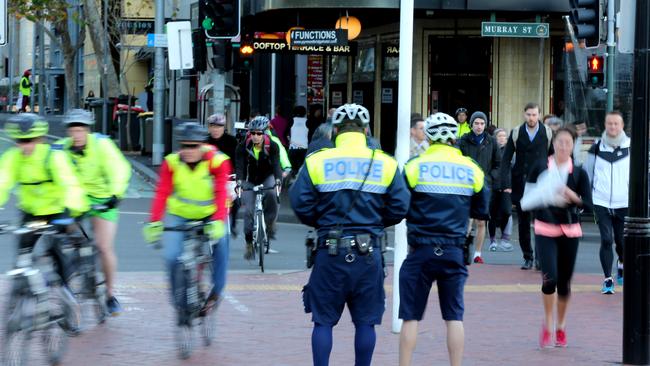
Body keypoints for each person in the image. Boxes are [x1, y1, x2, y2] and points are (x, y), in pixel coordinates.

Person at [290, 103, 409, 366]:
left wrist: (322, 223)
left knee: (323, 322)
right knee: (366, 323)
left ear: (334, 131)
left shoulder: (317, 160)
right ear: (366, 131)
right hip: (369, 254)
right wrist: (376, 223)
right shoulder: (386, 163)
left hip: (329, 251)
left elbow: (300, 203)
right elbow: (400, 206)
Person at [399, 112, 489, 366]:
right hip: (454, 249)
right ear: (453, 137)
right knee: (454, 317)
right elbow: (482, 210)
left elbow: (400, 205)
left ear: (427, 136)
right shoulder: (472, 168)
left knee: (411, 317)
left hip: (420, 250)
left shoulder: (413, 166)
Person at [0, 114, 90, 332]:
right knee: (22, 258)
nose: (25, 146)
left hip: (58, 213)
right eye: (20, 141)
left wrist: (72, 215)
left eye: (29, 140)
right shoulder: (12, 158)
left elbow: (71, 185)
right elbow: (2, 182)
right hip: (30, 213)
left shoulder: (53, 157)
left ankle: (69, 305)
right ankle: (20, 298)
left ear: (40, 139)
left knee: (59, 260)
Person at [142, 122, 231, 329]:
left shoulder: (218, 162)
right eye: (185, 146)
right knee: (171, 257)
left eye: (194, 146)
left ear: (203, 145)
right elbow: (162, 193)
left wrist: (218, 222)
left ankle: (217, 291)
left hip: (211, 214)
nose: (189, 151)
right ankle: (179, 305)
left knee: (221, 245)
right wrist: (154, 222)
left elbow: (220, 194)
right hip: (179, 214)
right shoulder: (171, 163)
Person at [55, 109, 132, 315]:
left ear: (88, 130)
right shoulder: (61, 149)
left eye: (81, 130)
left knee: (103, 246)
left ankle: (109, 295)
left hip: (103, 199)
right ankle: (69, 282)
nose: (77, 135)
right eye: (73, 130)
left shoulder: (102, 145)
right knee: (63, 239)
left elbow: (120, 169)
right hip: (76, 200)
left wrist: (115, 195)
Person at [520, 127, 591, 348]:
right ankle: (548, 323)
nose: (563, 146)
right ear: (553, 143)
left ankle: (561, 325)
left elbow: (588, 206)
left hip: (570, 230)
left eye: (568, 143)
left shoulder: (578, 172)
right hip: (545, 228)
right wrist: (544, 197)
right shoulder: (540, 167)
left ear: (573, 146)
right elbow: (526, 199)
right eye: (559, 142)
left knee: (564, 284)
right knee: (549, 279)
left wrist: (573, 197)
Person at [500, 102, 554, 270]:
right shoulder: (516, 132)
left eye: (534, 114)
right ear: (524, 115)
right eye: (529, 114)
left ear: (539, 115)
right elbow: (506, 159)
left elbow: (554, 158)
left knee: (541, 222)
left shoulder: (548, 132)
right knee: (523, 223)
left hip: (541, 183)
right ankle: (528, 257)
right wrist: (506, 183)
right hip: (520, 183)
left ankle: (540, 257)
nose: (531, 118)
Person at [583, 111, 629, 294]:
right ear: (605, 125)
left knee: (621, 242)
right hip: (601, 201)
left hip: (624, 202)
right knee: (606, 240)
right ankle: (607, 279)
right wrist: (587, 197)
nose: (612, 127)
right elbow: (587, 173)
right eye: (609, 123)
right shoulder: (596, 147)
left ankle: (622, 262)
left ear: (622, 125)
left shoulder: (631, 146)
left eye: (616, 124)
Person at [235, 116, 282, 259]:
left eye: (259, 133)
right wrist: (239, 182)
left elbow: (276, 165)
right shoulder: (242, 146)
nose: (256, 136)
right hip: (250, 180)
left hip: (267, 177)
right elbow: (240, 167)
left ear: (265, 133)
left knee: (273, 195)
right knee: (249, 211)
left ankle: (270, 224)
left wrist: (278, 180)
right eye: (253, 133)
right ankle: (249, 243)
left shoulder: (272, 146)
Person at [458, 111, 499, 263]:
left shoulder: (492, 141)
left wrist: (491, 177)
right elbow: (458, 159)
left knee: (481, 221)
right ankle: (463, 248)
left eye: (482, 123)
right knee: (467, 220)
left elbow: (497, 163)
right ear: (471, 124)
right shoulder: (463, 141)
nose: (479, 126)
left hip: (484, 185)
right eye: (476, 123)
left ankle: (478, 253)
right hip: (467, 184)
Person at [205, 113, 240, 235]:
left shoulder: (232, 141)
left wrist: (238, 175)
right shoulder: (205, 142)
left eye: (218, 126)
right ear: (209, 128)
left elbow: (237, 160)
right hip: (209, 177)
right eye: (212, 126)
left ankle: (233, 222)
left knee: (235, 198)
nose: (215, 129)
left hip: (229, 176)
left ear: (223, 127)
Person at [488, 128, 514, 252]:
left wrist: (511, 186)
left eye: (504, 136)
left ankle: (505, 239)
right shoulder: (491, 150)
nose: (502, 138)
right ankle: (493, 240)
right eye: (500, 136)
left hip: (506, 187)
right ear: (495, 138)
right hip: (493, 187)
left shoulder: (511, 152)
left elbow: (513, 170)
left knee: (507, 212)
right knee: (492, 214)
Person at [289, 106, 309, 174]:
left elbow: (286, 134)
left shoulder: (291, 121)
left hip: (293, 148)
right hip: (304, 148)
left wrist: (289, 141)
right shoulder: (307, 121)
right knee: (303, 168)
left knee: (294, 169)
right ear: (304, 113)